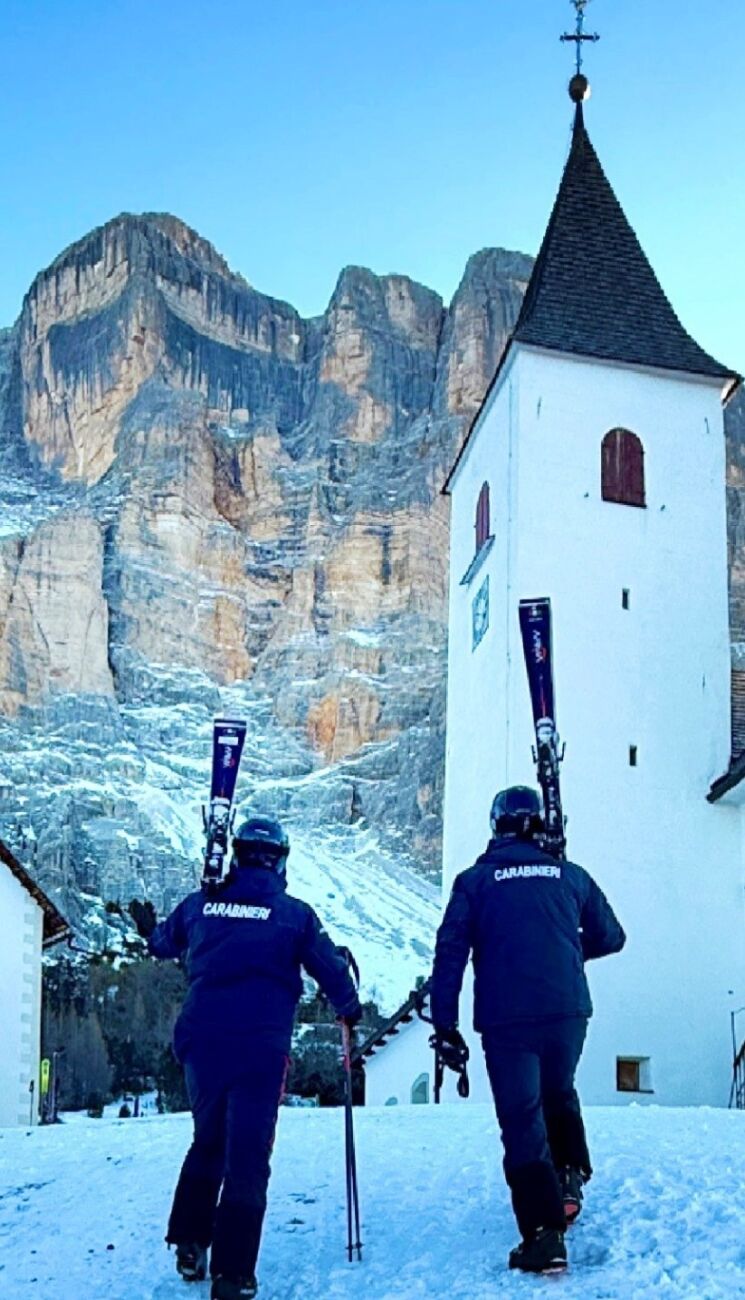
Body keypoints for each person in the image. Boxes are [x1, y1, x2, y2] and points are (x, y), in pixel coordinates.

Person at [130, 815, 361, 1300]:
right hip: (259, 1047)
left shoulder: (201, 904)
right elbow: (331, 971)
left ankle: (190, 1243)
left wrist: (149, 930)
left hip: (201, 1042)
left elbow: (163, 944)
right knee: (248, 1156)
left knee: (207, 1140)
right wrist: (349, 1008)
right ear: (280, 861)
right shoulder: (294, 914)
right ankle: (233, 1275)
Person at [430, 786, 625, 1276]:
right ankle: (569, 1176)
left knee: (522, 1119)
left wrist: (445, 1025)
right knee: (559, 1092)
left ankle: (543, 1236)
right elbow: (611, 936)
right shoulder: (571, 875)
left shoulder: (474, 882)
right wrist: (561, 951)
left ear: (495, 826)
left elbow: (450, 955)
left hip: (507, 1017)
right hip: (567, 1011)